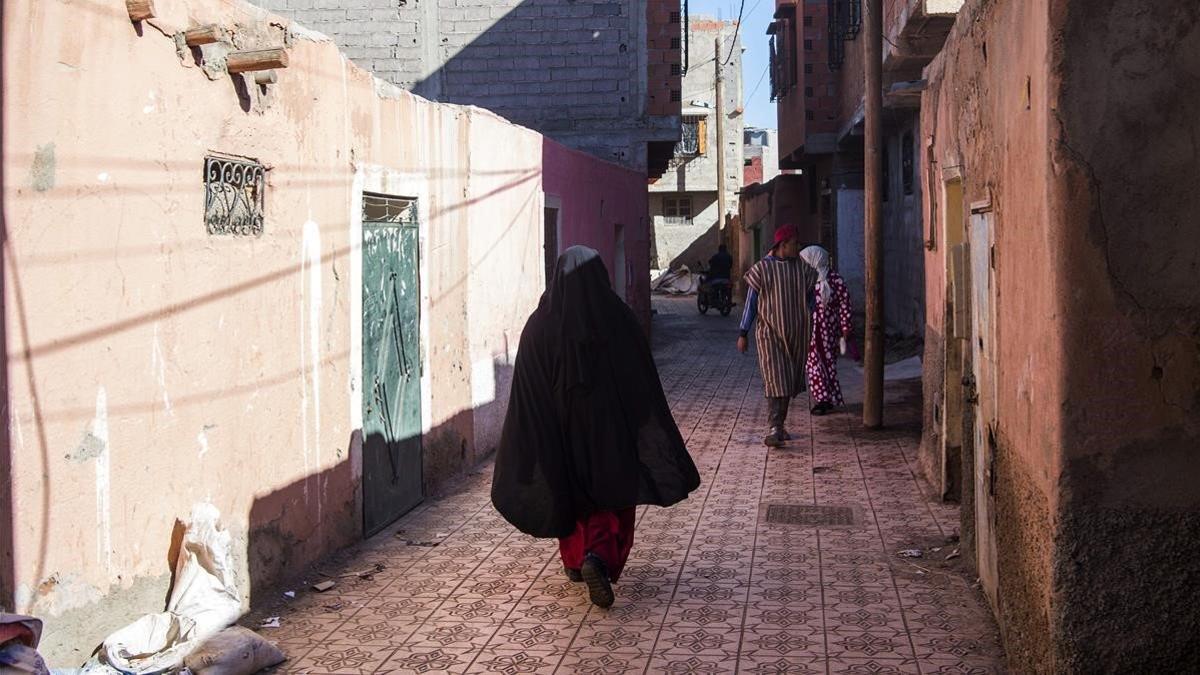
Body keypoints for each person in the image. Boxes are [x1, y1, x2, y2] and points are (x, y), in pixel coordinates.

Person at [492, 246, 701, 609]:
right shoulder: (616, 317)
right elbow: (640, 373)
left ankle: (575, 560)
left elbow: (528, 384)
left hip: (561, 430)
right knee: (612, 492)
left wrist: (534, 435)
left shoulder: (541, 323)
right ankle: (599, 558)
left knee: (569, 490)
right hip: (610, 430)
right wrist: (641, 424)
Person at [737, 225, 817, 447]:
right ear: (783, 245)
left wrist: (812, 321)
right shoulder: (762, 269)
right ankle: (774, 427)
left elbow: (811, 299)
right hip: (769, 335)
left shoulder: (802, 269)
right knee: (776, 379)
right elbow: (751, 305)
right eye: (795, 244)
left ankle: (780, 426)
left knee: (788, 380)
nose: (798, 248)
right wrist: (743, 333)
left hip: (796, 336)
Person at [799, 245, 852, 415]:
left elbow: (845, 304)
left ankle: (826, 399)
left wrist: (845, 327)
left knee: (827, 363)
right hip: (810, 331)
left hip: (829, 331)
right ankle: (823, 399)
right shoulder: (807, 281)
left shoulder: (835, 281)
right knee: (814, 365)